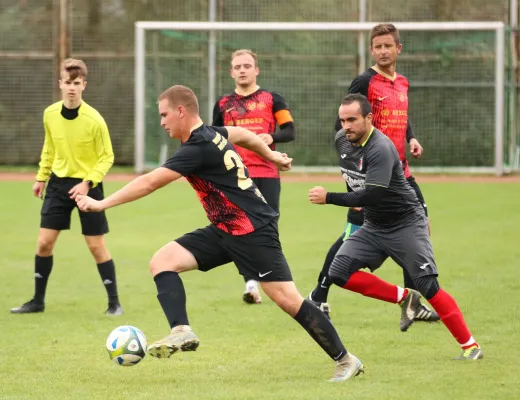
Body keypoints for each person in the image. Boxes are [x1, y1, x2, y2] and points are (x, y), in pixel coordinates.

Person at [77, 85, 364, 381]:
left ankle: (346, 359)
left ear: (181, 111)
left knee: (288, 300)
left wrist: (102, 203)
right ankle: (181, 331)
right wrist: (271, 155)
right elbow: (241, 134)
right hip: (226, 228)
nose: (161, 122)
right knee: (162, 261)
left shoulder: (196, 148)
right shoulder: (213, 133)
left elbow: (150, 182)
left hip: (253, 230)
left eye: (164, 115)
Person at [308, 94, 482, 360]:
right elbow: (354, 175)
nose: (346, 126)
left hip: (405, 223)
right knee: (339, 271)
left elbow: (373, 194)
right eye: (342, 120)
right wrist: (353, 197)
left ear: (369, 118)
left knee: (427, 284)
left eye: (352, 119)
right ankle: (404, 297)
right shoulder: (342, 140)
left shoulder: (381, 147)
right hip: (375, 225)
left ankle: (471, 347)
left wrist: (330, 197)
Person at [308, 23, 439, 325]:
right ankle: (318, 295)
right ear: (371, 50)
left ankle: (412, 302)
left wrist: (412, 138)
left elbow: (401, 116)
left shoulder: (402, 83)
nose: (382, 51)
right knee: (351, 235)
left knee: (419, 229)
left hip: (401, 173)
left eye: (387, 46)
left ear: (398, 49)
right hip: (372, 176)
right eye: (377, 46)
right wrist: (354, 182)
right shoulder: (365, 81)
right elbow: (342, 127)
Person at [11, 58, 123, 315]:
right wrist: (41, 177)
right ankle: (37, 302)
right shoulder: (50, 114)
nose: (71, 87)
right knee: (43, 244)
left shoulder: (94, 120)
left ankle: (114, 303)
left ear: (84, 85)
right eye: (67, 82)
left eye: (76, 83)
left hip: (88, 187)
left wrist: (87, 183)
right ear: (60, 84)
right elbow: (49, 147)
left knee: (96, 246)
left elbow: (107, 157)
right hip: (58, 185)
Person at [212, 49, 296, 305]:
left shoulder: (273, 99)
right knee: (239, 226)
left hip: (267, 173)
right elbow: (214, 137)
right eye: (237, 67)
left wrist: (273, 137)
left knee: (268, 227)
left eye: (247, 66)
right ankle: (250, 283)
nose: (242, 70)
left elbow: (290, 131)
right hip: (235, 176)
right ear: (231, 72)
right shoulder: (223, 104)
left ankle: (276, 280)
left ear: (256, 70)